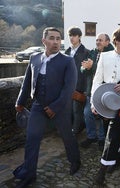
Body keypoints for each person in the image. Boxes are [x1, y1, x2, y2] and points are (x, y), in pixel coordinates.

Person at [13, 27, 81, 188]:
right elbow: (27, 82)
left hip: (60, 108)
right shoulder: (34, 58)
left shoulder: (67, 61)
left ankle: (75, 161)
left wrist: (55, 107)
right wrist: (20, 101)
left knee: (67, 137)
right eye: (52, 38)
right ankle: (29, 175)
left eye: (58, 38)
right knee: (31, 140)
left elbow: (69, 88)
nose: (56, 42)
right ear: (44, 41)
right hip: (38, 106)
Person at [91, 28, 120, 185]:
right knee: (109, 134)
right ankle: (115, 159)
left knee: (112, 134)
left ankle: (101, 172)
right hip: (104, 100)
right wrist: (94, 103)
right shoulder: (104, 56)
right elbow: (97, 80)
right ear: (116, 41)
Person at [80, 33, 114, 149]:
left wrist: (92, 67)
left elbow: (105, 71)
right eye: (97, 40)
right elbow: (83, 68)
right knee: (87, 113)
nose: (97, 42)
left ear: (107, 42)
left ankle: (102, 139)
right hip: (91, 90)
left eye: (100, 40)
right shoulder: (92, 52)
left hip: (104, 90)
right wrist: (85, 68)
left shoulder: (112, 54)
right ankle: (91, 136)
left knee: (101, 116)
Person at [65, 26, 89, 135]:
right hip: (66, 86)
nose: (71, 38)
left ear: (79, 37)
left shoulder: (86, 52)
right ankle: (72, 128)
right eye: (70, 35)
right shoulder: (67, 51)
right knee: (68, 110)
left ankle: (75, 131)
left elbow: (87, 73)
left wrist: (85, 89)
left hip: (79, 86)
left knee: (77, 110)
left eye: (74, 35)